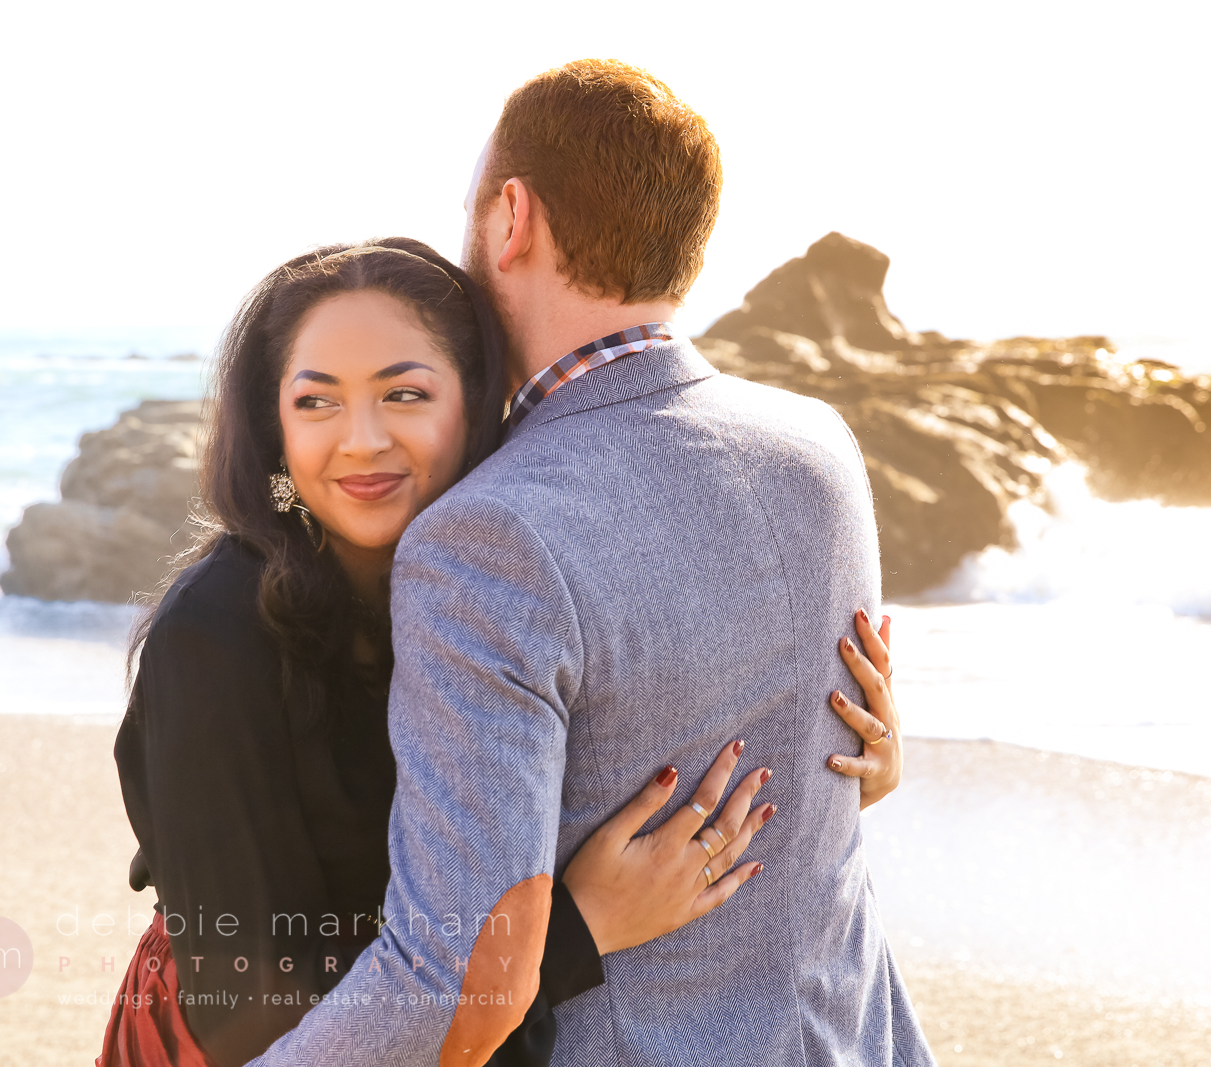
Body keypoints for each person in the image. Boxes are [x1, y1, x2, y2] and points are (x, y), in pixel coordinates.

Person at [249, 60, 931, 1067]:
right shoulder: (817, 447)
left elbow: (453, 979)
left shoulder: (490, 533)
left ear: (511, 216)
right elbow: (808, 757)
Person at [100, 237, 902, 1067]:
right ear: (272, 425)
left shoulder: (498, 585)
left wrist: (837, 763)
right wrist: (577, 928)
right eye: (316, 402)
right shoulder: (217, 638)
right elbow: (258, 1020)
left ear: (479, 400)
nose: (362, 440)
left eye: (404, 393)